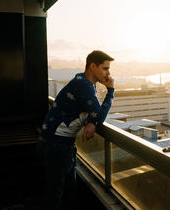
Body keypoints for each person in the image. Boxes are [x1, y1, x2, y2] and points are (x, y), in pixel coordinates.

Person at [37, 50, 115, 210]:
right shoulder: (83, 85)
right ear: (93, 66)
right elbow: (99, 115)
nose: (108, 73)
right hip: (56, 146)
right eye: (105, 68)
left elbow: (93, 112)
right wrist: (111, 91)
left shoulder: (85, 82)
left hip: (60, 145)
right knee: (56, 196)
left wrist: (92, 122)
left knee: (64, 192)